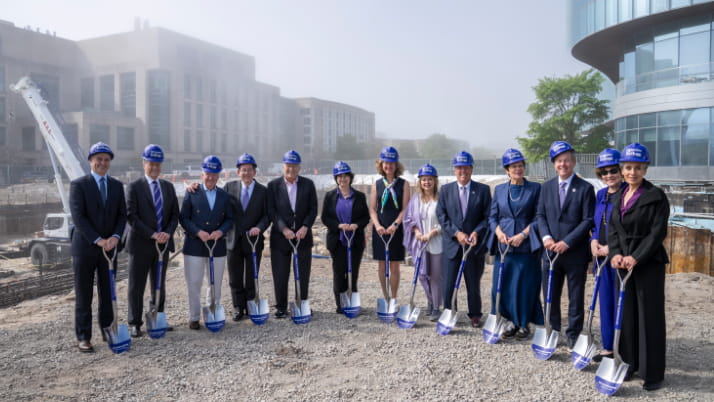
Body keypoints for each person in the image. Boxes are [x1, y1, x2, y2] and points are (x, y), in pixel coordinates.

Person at [609, 143, 669, 391]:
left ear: (645, 169)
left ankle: (652, 372)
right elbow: (612, 229)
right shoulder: (618, 195)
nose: (632, 172)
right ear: (622, 169)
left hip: (647, 265)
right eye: (628, 167)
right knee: (627, 315)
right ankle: (629, 363)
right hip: (623, 264)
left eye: (638, 168)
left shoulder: (656, 196)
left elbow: (657, 233)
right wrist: (615, 254)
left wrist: (636, 257)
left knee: (649, 317)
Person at [535, 141, 595, 350]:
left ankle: (573, 334)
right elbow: (540, 215)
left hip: (575, 253)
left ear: (574, 161)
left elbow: (588, 220)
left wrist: (567, 242)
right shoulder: (546, 187)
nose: (564, 164)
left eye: (568, 160)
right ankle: (552, 330)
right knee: (550, 293)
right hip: (550, 252)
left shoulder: (586, 188)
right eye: (560, 161)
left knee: (575, 296)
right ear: (554, 164)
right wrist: (546, 238)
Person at [69, 142, 126, 352]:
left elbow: (122, 215)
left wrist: (116, 237)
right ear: (90, 161)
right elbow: (79, 217)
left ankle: (107, 330)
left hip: (110, 248)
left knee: (108, 291)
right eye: (98, 159)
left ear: (110, 162)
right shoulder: (78, 185)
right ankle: (84, 337)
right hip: (85, 247)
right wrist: (98, 239)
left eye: (106, 159)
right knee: (84, 293)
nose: (102, 163)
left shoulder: (117, 186)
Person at [487, 148, 543, 339]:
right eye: (513, 166)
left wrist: (523, 234)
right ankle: (509, 321)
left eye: (520, 165)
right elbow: (492, 217)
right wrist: (499, 233)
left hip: (526, 246)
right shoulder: (500, 190)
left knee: (524, 286)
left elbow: (538, 217)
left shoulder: (535, 189)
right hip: (504, 246)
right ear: (507, 170)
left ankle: (524, 323)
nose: (518, 169)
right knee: (502, 286)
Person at [126, 144, 180, 337]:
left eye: (158, 164)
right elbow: (132, 217)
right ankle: (135, 323)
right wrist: (152, 234)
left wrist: (167, 233)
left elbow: (175, 214)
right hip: (141, 244)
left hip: (162, 246)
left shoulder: (168, 187)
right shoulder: (134, 187)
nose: (155, 168)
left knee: (159, 284)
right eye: (151, 164)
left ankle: (157, 318)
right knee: (136, 286)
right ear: (144, 164)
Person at [436, 151, 491, 328]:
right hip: (452, 244)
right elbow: (441, 215)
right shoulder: (445, 190)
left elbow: (487, 216)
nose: (463, 171)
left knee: (473, 283)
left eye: (466, 167)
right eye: (459, 168)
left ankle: (475, 314)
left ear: (471, 169)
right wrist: (456, 233)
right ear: (454, 170)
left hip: (473, 246)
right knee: (449, 283)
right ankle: (450, 312)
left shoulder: (482, 190)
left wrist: (476, 232)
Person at [179, 155, 234, 330]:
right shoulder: (192, 192)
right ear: (202, 174)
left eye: (214, 174)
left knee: (214, 283)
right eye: (207, 174)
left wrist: (220, 231)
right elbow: (183, 218)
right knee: (194, 283)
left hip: (216, 246)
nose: (210, 177)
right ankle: (194, 317)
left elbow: (230, 219)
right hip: (194, 245)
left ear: (218, 176)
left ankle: (212, 312)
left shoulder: (224, 196)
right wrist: (197, 231)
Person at [266, 150, 318, 318]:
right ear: (283, 166)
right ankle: (281, 306)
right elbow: (271, 211)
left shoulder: (308, 184)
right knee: (280, 274)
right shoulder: (273, 186)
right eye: (289, 166)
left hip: (302, 237)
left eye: (295, 166)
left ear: (299, 168)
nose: (291, 169)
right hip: (281, 238)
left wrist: (305, 227)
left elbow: (313, 209)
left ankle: (301, 303)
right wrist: (284, 229)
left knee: (303, 274)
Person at [589, 148, 626, 361]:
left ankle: (622, 347)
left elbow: (628, 230)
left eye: (613, 171)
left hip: (617, 257)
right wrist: (593, 241)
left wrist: (611, 248)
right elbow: (596, 224)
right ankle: (608, 347)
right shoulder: (601, 194)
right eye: (604, 172)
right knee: (604, 303)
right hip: (600, 256)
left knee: (619, 303)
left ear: (620, 171)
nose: (609, 176)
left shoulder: (627, 194)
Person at [223, 153, 269, 321]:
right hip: (233, 240)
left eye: (249, 170)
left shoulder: (263, 191)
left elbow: (267, 215)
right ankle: (238, 307)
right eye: (243, 170)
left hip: (253, 240)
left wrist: (259, 227)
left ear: (255, 172)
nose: (246, 173)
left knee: (252, 276)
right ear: (238, 172)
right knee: (235, 277)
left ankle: (251, 305)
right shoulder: (228, 187)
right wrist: (195, 188)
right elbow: (218, 204)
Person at [320, 161, 370, 313]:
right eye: (340, 176)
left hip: (355, 240)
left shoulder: (359, 196)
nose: (343, 179)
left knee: (352, 272)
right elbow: (325, 218)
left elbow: (366, 217)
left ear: (350, 177)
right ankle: (341, 305)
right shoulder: (330, 196)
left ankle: (352, 303)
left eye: (345, 176)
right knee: (339, 272)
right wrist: (338, 225)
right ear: (336, 178)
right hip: (338, 240)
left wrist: (356, 225)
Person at [403, 163, 443, 321]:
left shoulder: (441, 199)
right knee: (422, 275)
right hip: (420, 244)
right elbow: (409, 219)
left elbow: (446, 220)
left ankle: (435, 307)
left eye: (430, 179)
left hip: (437, 243)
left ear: (435, 181)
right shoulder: (415, 200)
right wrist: (417, 232)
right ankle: (430, 299)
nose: (427, 182)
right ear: (420, 181)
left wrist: (433, 232)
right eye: (424, 179)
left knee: (434, 276)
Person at [369, 146, 410, 301]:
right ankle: (385, 297)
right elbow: (372, 209)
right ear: (381, 164)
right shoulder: (376, 184)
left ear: (396, 165)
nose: (389, 166)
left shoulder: (404, 184)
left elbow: (405, 208)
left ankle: (393, 298)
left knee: (394, 265)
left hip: (396, 229)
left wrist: (395, 225)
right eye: (386, 163)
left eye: (392, 163)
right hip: (380, 228)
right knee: (381, 265)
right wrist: (377, 225)